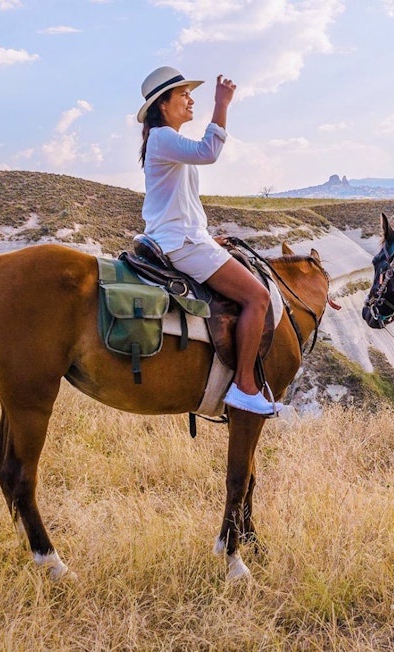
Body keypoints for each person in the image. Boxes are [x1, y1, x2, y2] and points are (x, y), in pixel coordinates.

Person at [137, 66, 282, 415]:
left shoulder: (165, 142)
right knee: (257, 297)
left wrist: (206, 236)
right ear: (162, 105)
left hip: (184, 237)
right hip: (181, 243)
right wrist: (222, 104)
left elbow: (181, 204)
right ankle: (244, 385)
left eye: (191, 95)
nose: (190, 100)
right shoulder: (161, 136)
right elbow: (209, 151)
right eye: (183, 94)